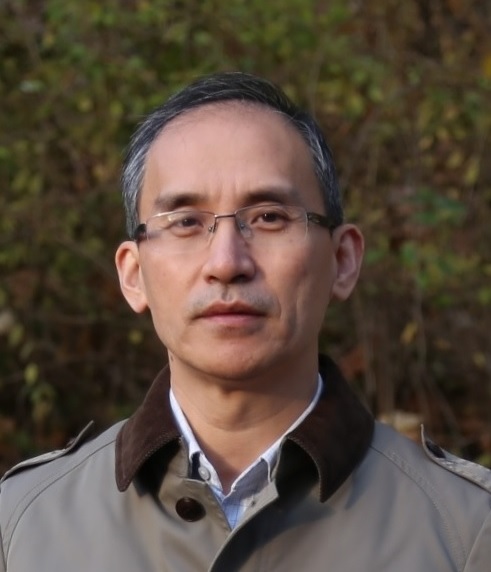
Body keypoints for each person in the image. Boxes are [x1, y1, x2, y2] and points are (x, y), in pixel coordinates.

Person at [1, 72, 490, 571]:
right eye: (185, 222)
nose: (227, 262)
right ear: (133, 275)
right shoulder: (21, 526)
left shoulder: (467, 531)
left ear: (342, 261)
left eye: (269, 217)